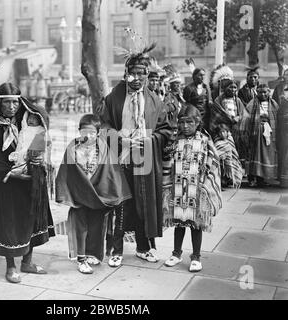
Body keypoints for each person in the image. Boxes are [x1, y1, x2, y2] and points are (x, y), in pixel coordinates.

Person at [0, 83, 55, 284]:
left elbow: (43, 140)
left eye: (15, 101)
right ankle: (11, 267)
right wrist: (13, 174)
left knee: (32, 220)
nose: (12, 106)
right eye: (7, 102)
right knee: (11, 225)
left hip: (31, 180)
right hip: (7, 184)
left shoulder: (29, 119)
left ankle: (27, 262)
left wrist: (40, 160)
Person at [101, 38, 173, 265]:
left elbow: (166, 130)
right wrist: (118, 138)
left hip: (145, 158)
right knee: (121, 204)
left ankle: (143, 247)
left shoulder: (154, 100)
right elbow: (103, 126)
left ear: (147, 75)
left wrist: (150, 140)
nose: (138, 77)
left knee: (144, 202)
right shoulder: (114, 97)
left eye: (142, 73)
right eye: (133, 73)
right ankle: (116, 250)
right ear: (126, 73)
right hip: (120, 158)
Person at [56, 114, 131, 274]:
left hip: (98, 194)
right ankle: (81, 259)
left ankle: (93, 254)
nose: (88, 136)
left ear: (98, 133)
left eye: (91, 133)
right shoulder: (73, 148)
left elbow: (110, 172)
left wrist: (114, 192)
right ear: (79, 132)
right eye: (84, 132)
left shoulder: (103, 148)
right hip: (80, 194)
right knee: (80, 226)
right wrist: (65, 190)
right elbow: (66, 171)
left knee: (97, 225)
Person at [163, 105, 222, 272]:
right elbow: (168, 162)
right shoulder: (175, 140)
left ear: (198, 122)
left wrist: (206, 182)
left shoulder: (204, 140)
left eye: (189, 122)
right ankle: (176, 253)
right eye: (181, 122)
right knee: (179, 223)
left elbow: (213, 161)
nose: (185, 126)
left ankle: (196, 256)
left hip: (197, 190)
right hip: (178, 189)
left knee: (196, 224)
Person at [241, 84, 279, 187]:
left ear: (268, 92)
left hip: (269, 132)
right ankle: (252, 179)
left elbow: (277, 117)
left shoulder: (274, 104)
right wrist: (246, 132)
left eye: (265, 92)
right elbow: (246, 118)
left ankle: (262, 178)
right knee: (255, 154)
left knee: (265, 156)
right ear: (257, 93)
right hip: (255, 132)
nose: (263, 94)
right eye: (260, 92)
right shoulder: (252, 103)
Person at [209, 79, 246, 187]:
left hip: (235, 130)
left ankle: (231, 178)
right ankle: (222, 178)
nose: (233, 90)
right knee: (223, 153)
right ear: (225, 88)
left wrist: (238, 118)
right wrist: (222, 128)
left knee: (233, 154)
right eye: (231, 87)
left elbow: (243, 114)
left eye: (235, 87)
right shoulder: (218, 100)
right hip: (221, 131)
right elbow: (216, 116)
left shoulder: (237, 100)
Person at [276, 87, 288, 188]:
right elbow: (281, 117)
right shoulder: (285, 102)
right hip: (285, 132)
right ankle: (285, 181)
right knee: (285, 154)